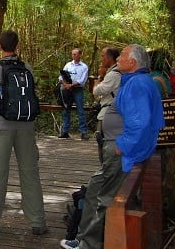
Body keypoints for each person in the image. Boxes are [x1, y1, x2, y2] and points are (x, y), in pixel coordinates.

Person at [60, 44, 165, 249]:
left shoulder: (138, 85)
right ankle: (83, 238)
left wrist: (123, 145)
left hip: (122, 153)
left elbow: (144, 122)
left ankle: (90, 245)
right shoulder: (136, 81)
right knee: (93, 191)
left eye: (123, 55)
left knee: (106, 198)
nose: (118, 58)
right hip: (118, 150)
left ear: (133, 62)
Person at [0, 30, 48, 236]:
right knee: (30, 173)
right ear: (17, 46)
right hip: (26, 126)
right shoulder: (28, 68)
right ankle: (37, 221)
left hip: (2, 126)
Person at [91, 48, 121, 163]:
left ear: (110, 58)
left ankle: (106, 168)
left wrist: (98, 80)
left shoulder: (113, 74)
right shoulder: (114, 73)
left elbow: (97, 91)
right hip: (109, 111)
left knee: (103, 142)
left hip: (108, 113)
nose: (101, 59)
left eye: (103, 56)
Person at [60, 48, 90, 140]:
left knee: (80, 110)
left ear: (80, 55)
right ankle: (65, 131)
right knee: (66, 110)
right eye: (72, 54)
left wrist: (72, 85)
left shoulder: (84, 67)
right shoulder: (68, 65)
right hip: (67, 90)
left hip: (78, 89)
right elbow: (61, 75)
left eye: (75, 54)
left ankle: (83, 132)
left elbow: (82, 80)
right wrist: (65, 84)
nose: (73, 56)